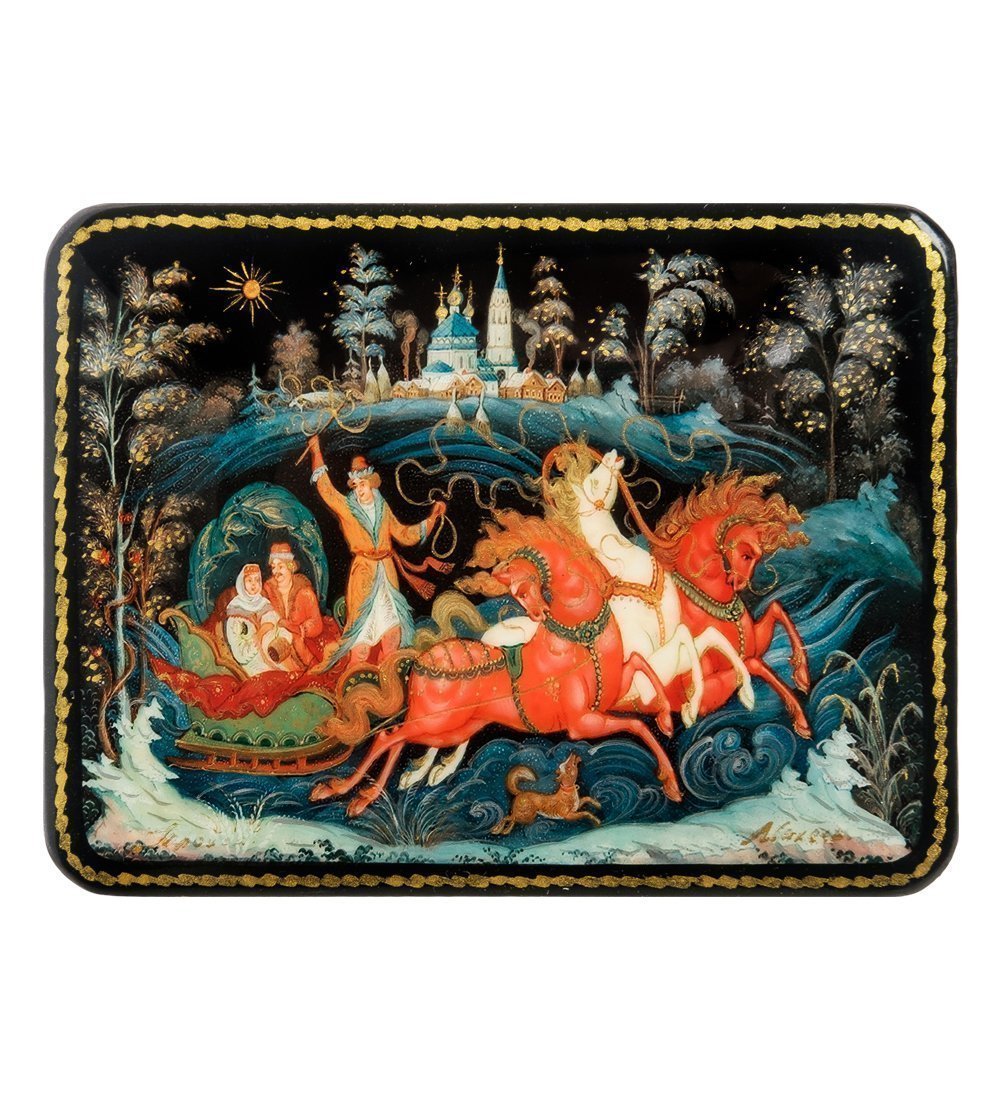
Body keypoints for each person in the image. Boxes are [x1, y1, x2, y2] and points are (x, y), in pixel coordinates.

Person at [305, 436, 450, 665]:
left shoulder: (383, 508)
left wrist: (432, 517)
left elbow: (405, 534)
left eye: (362, 485)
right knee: (361, 638)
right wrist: (316, 451)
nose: (359, 490)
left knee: (392, 635)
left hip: (387, 576)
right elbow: (326, 489)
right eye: (355, 486)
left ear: (372, 485)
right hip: (363, 576)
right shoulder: (347, 508)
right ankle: (357, 679)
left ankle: (388, 677)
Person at [261, 542, 328, 670]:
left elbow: (317, 624)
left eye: (280, 566)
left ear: (290, 567)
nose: (276, 572)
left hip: (305, 644)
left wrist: (295, 628)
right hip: (277, 646)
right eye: (273, 567)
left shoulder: (305, 593)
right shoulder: (268, 590)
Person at [223, 564, 283, 675]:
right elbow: (240, 655)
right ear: (242, 583)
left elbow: (279, 627)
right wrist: (258, 638)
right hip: (254, 665)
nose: (254, 584)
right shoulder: (235, 613)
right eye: (249, 580)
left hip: (276, 659)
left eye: (257, 580)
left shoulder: (265, 604)